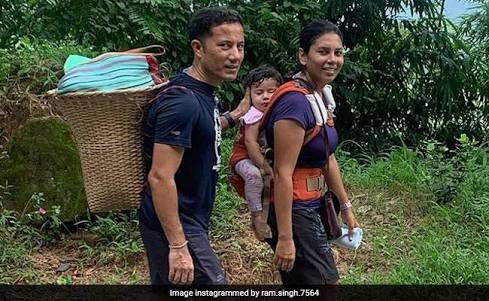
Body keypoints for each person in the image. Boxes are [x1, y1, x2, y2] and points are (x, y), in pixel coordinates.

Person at [138, 7, 250, 285]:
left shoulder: (202, 93)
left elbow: (201, 131)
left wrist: (234, 116)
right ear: (198, 48)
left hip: (189, 221)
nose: (235, 55)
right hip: (178, 223)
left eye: (240, 46)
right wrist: (177, 247)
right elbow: (160, 176)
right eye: (224, 46)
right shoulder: (182, 102)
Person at [263, 20, 360, 285]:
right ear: (303, 56)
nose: (332, 60)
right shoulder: (295, 103)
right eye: (323, 52)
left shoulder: (319, 96)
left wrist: (347, 208)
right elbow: (282, 173)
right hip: (293, 208)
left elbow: (327, 157)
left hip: (312, 205)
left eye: (338, 53)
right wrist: (285, 238)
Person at [229, 65, 283, 241]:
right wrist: (263, 165)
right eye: (259, 93)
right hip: (243, 157)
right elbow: (250, 142)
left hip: (262, 156)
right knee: (254, 176)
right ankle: (256, 215)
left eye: (271, 91)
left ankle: (271, 215)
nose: (266, 97)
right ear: (249, 96)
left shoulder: (278, 113)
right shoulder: (254, 114)